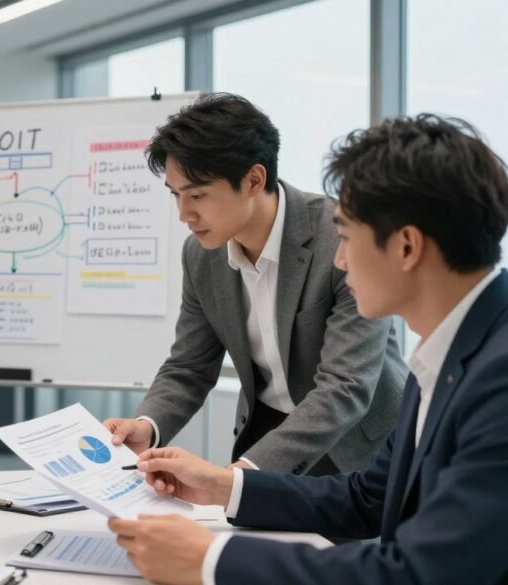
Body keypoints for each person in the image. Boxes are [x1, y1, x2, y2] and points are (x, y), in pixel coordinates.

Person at [108, 114, 508, 585]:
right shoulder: (443, 360)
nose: (339, 259)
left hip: (347, 438)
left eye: (348, 238)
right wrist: (224, 485)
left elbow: (421, 572)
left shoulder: (497, 382)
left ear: (405, 247)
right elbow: (367, 500)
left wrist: (212, 561)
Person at [104, 93, 407, 475]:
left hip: (358, 444)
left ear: (253, 179)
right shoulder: (201, 255)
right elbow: (190, 365)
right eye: (176, 196)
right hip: (267, 431)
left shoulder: (342, 239)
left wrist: (238, 477)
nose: (184, 214)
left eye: (197, 195)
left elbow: (345, 387)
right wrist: (147, 426)